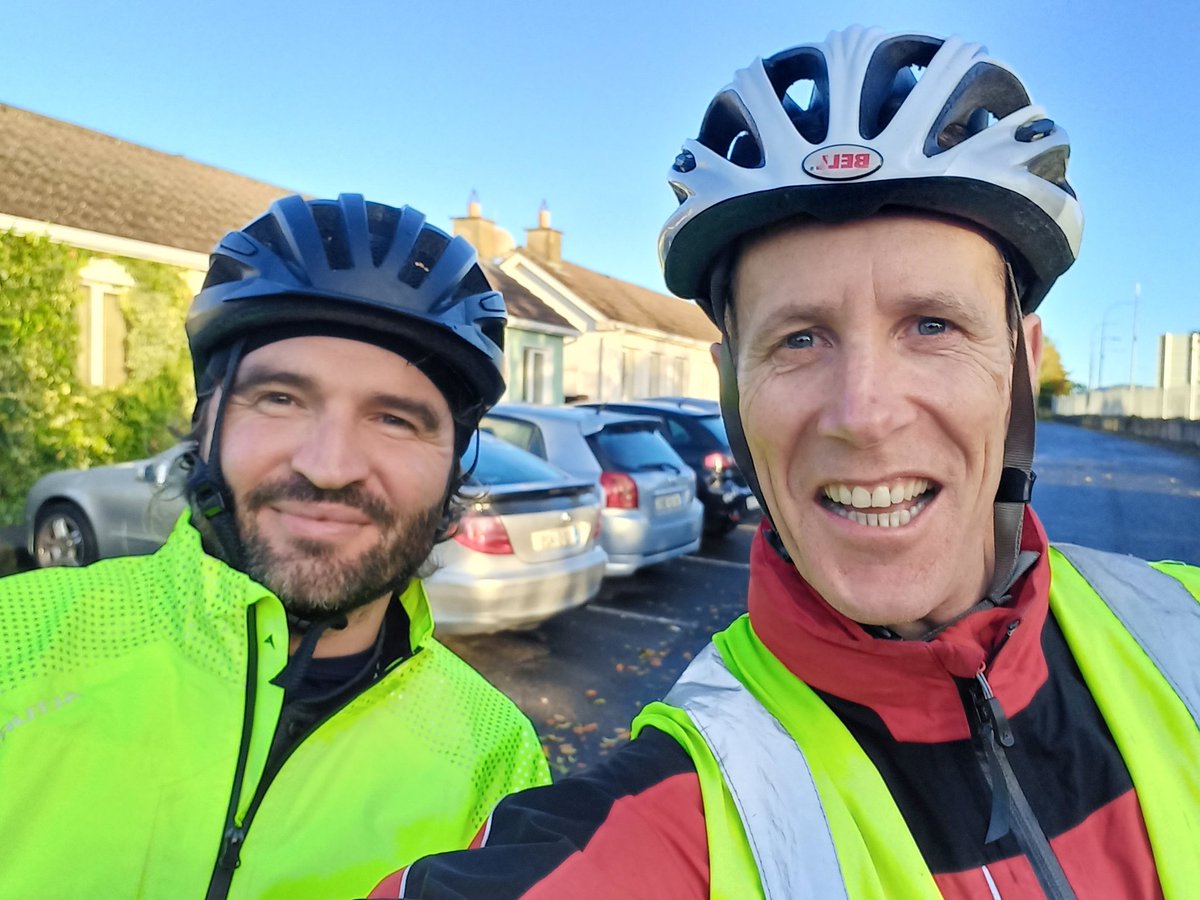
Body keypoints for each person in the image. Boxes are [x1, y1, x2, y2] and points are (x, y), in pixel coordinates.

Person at [369, 26, 1200, 899]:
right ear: (732, 389)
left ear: (1021, 368)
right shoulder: (683, 808)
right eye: (800, 339)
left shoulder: (1181, 632)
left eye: (932, 325)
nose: (865, 415)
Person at [0, 194, 550, 899]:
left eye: (396, 419)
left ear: (454, 469)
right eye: (281, 398)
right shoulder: (17, 641)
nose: (329, 465)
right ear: (207, 425)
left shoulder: (496, 761)